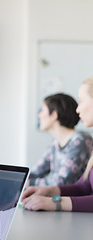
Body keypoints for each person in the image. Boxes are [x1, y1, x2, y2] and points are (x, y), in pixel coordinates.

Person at [22, 77, 93, 212]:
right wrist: (51, 190)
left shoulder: (81, 139)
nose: (78, 110)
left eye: (82, 101)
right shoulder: (55, 143)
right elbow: (84, 186)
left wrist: (55, 202)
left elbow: (64, 180)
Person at [29, 93, 93, 186]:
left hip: (72, 198)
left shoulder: (80, 140)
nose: (39, 115)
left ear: (54, 115)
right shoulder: (55, 142)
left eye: (42, 110)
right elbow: (37, 171)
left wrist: (28, 183)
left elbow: (62, 181)